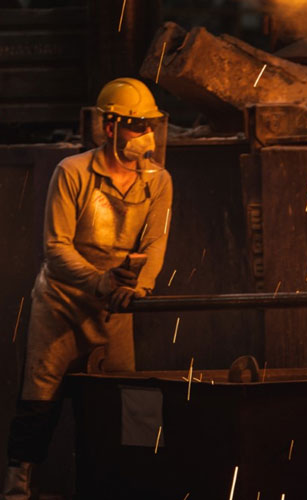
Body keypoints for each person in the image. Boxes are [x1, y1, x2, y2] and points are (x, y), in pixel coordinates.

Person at [1, 78, 173, 500]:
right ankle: (17, 486)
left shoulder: (158, 181)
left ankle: (130, 486)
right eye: (135, 125)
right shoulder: (73, 172)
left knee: (128, 403)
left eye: (148, 125)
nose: (145, 136)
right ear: (110, 126)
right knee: (40, 399)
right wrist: (99, 281)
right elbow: (55, 248)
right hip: (62, 302)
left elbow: (154, 243)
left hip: (115, 307)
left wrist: (141, 288)